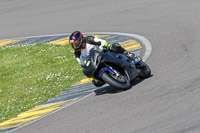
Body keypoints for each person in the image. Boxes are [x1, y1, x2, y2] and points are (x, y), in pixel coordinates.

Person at [69, 31, 143, 87]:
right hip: (95, 62)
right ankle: (112, 78)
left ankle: (129, 55)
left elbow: (102, 41)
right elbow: (82, 63)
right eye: (73, 45)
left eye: (75, 44)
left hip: (103, 53)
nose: (75, 47)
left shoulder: (89, 39)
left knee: (114, 46)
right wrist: (91, 76)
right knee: (97, 83)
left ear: (81, 40)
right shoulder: (77, 53)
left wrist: (103, 46)